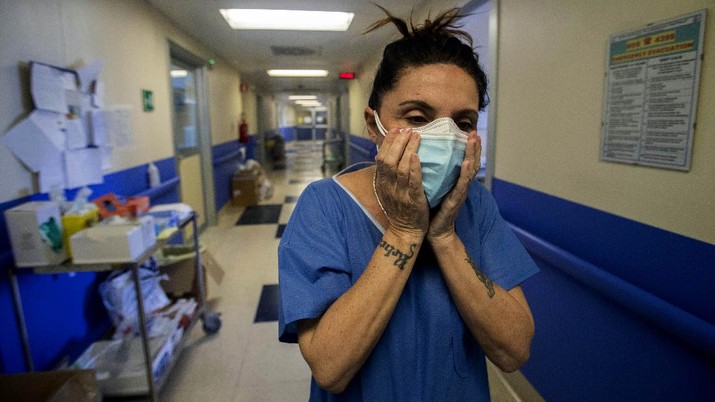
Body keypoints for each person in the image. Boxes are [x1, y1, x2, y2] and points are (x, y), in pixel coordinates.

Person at [278, 7, 539, 401]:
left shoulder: (475, 206)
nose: (444, 137)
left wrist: (446, 238)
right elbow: (330, 368)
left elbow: (514, 349)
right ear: (374, 126)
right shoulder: (324, 206)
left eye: (463, 124)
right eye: (418, 117)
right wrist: (403, 232)